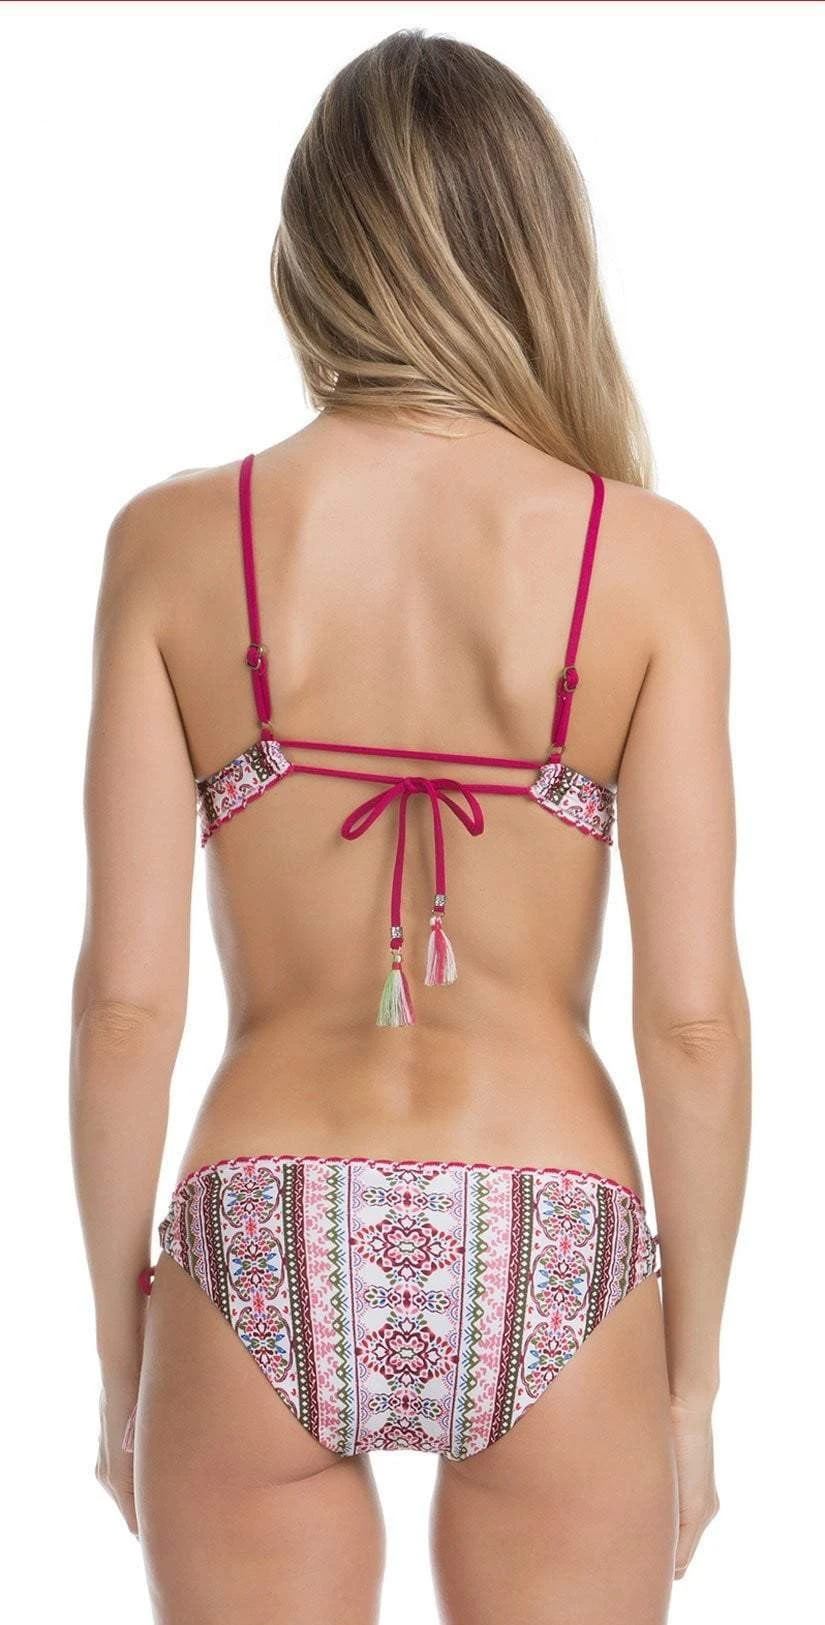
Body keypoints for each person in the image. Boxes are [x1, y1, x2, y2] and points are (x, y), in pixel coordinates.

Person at [70, 28, 750, 1625]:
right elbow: (695, 1023)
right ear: (536, 250)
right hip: (554, 1226)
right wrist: (692, 1386)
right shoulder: (649, 561)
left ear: (312, 256)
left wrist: (123, 1357)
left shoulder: (173, 546)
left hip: (259, 1229)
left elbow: (125, 1012)